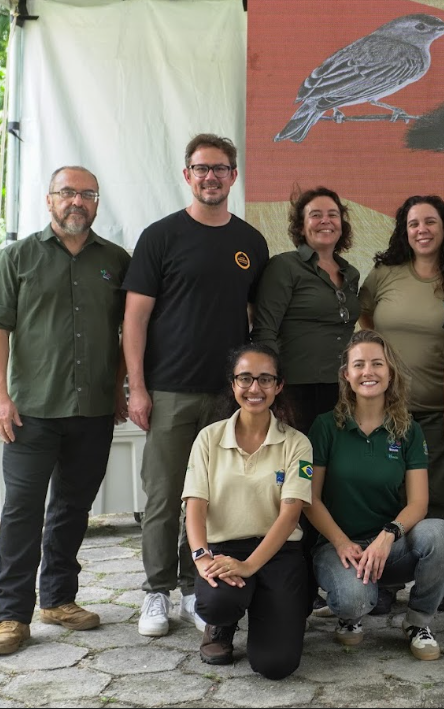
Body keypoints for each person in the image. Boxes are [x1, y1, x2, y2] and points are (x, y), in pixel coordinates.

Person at [0, 166, 131, 655]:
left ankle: (59, 600)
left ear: (96, 203)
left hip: (91, 409)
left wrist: (121, 388)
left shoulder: (116, 261)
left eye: (87, 194)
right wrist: (0, 396)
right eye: (67, 193)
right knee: (22, 512)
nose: (77, 202)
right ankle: (11, 616)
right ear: (49, 201)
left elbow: (127, 332)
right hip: (31, 411)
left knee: (72, 509)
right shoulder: (16, 258)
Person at [124, 134, 269, 637]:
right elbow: (135, 318)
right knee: (164, 496)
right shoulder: (160, 237)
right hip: (169, 390)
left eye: (221, 168)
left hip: (227, 397)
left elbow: (254, 319)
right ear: (188, 175)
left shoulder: (251, 243)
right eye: (201, 168)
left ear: (234, 175)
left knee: (210, 497)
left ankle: (195, 584)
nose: (211, 176)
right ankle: (156, 592)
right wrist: (137, 388)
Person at [305, 330, 444, 660]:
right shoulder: (325, 426)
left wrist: (388, 536)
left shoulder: (407, 428)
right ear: (347, 375)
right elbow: (310, 499)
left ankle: (417, 622)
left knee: (443, 534)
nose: (368, 372)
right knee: (355, 600)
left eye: (377, 363)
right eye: (359, 364)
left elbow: (419, 502)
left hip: (389, 547)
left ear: (390, 373)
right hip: (338, 547)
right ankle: (351, 615)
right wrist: (342, 542)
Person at [359, 195, 444, 612]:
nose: (422, 230)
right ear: (403, 231)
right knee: (386, 498)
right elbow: (365, 320)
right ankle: (385, 583)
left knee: (439, 501)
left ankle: (435, 581)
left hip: (439, 412)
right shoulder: (385, 274)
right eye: (413, 223)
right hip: (384, 413)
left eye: (430, 221)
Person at [252, 186, 361, 616]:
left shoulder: (350, 273)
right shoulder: (284, 268)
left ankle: (323, 576)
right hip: (293, 393)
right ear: (301, 225)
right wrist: (272, 393)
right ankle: (287, 581)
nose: (324, 222)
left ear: (342, 223)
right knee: (291, 485)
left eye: (332, 214)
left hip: (339, 396)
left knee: (326, 485)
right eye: (314, 215)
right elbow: (264, 331)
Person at [183, 344, 311, 678]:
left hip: (278, 552)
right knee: (216, 602)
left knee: (276, 664)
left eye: (265, 379)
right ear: (232, 384)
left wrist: (250, 566)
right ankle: (222, 625)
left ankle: (266, 611)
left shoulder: (297, 443)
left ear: (279, 386)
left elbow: (291, 514)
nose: (255, 388)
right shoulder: (208, 439)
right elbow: (195, 504)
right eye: (245, 378)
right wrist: (203, 559)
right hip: (225, 548)